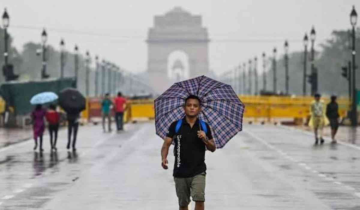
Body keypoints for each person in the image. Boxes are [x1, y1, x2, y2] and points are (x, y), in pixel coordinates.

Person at [161, 95, 216, 210]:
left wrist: (205, 138)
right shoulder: (176, 125)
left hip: (198, 171)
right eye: (189, 105)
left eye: (195, 106)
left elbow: (213, 148)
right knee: (183, 204)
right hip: (180, 171)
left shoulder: (204, 127)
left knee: (199, 200)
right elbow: (166, 144)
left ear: (199, 109)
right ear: (184, 108)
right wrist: (163, 158)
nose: (192, 108)